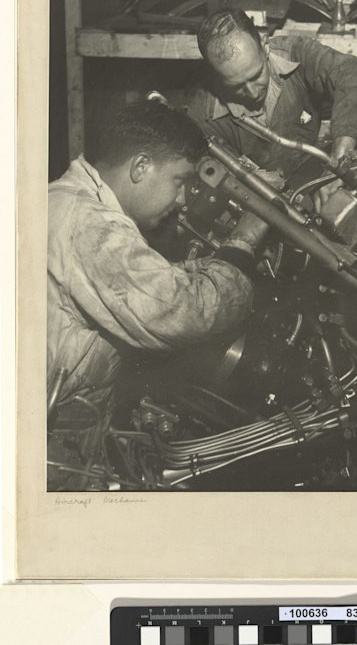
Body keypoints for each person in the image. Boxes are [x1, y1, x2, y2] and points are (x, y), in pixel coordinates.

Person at [47, 99, 268, 488]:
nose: (182, 201)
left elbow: (135, 283)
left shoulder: (64, 201)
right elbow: (182, 310)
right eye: (179, 182)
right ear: (141, 167)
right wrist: (243, 243)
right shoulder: (90, 224)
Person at [176, 8, 357, 203]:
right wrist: (249, 179)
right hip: (260, 200)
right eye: (236, 86)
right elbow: (206, 173)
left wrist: (341, 162)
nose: (252, 92)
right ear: (215, 74)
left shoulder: (297, 53)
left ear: (265, 46)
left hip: (316, 170)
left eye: (256, 75)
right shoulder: (203, 115)